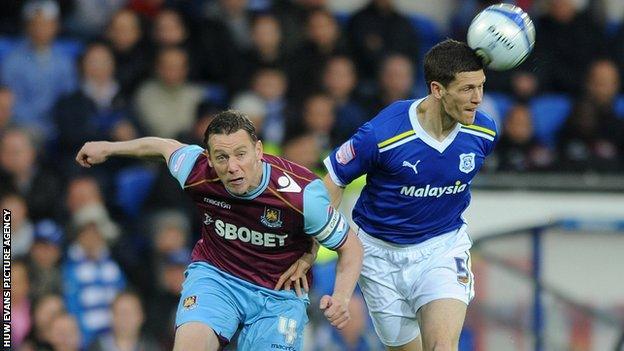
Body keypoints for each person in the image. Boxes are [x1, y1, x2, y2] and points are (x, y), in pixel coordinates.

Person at [75, 110, 363, 351]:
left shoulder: (301, 195)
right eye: (222, 157)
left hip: (279, 292)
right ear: (209, 158)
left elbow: (350, 246)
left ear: (259, 151)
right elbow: (163, 147)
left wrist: (340, 296)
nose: (233, 167)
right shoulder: (197, 171)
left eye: (240, 154)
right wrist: (109, 148)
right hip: (217, 277)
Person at [322, 39, 498, 351]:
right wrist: (309, 247)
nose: (478, 99)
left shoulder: (484, 132)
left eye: (481, 87)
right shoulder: (383, 133)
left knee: (442, 346)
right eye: (467, 89)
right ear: (437, 89)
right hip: (378, 254)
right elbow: (334, 181)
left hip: (442, 247)